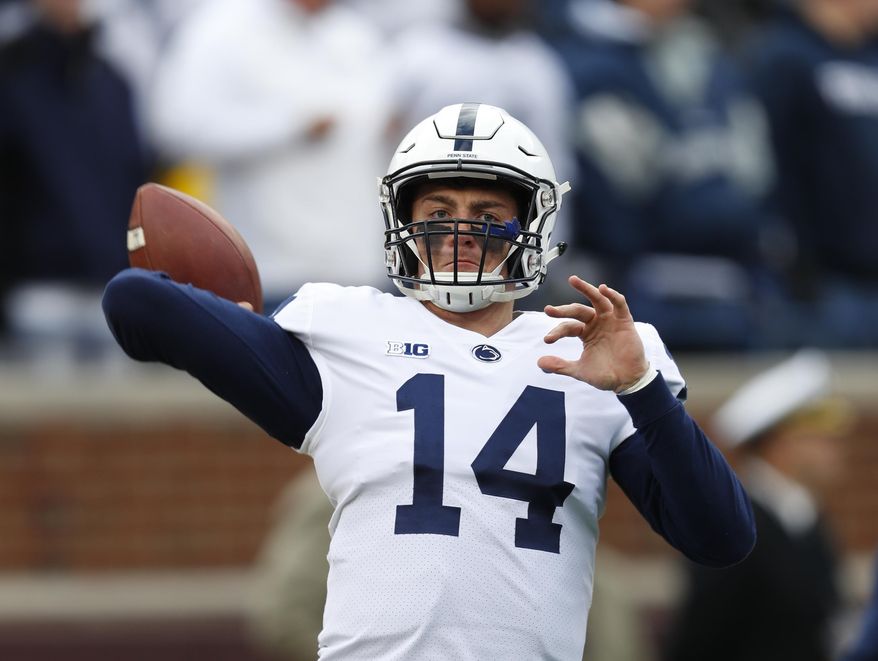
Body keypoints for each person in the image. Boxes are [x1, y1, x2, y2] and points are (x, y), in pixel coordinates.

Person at [102, 103, 755, 660]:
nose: (460, 229)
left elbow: (721, 536)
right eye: (438, 208)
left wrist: (638, 384)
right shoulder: (348, 331)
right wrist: (233, 319)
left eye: (488, 211)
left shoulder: (592, 351)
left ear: (530, 225)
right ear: (404, 222)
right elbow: (136, 301)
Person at [550, 0, 776, 351]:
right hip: (633, 282)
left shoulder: (714, 58)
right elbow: (623, 195)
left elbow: (754, 179)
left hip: (732, 288)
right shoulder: (588, 63)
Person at [148, 0, 393, 308]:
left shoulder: (354, 34)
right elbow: (178, 125)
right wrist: (290, 126)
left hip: (358, 272)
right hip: (273, 271)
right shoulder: (222, 28)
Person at [661, 349, 852, 661]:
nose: (836, 449)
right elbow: (701, 637)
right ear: (781, 442)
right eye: (821, 437)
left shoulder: (805, 520)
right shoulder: (732, 527)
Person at [743, 0, 878, 347]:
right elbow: (764, 167)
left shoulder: (869, 56)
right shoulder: (782, 56)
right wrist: (795, 262)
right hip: (821, 286)